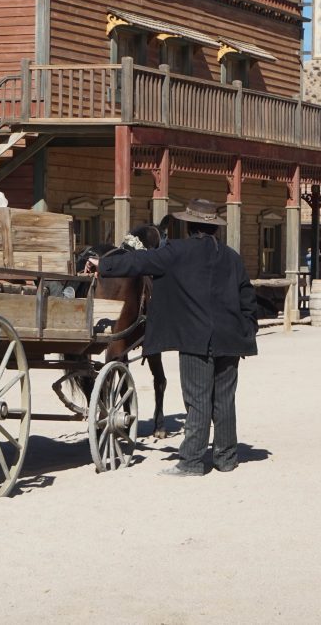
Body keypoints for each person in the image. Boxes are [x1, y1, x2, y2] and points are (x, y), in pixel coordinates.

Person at [98, 198, 258, 476]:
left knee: (197, 399)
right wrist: (247, 329)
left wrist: (101, 264)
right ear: (215, 229)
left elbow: (138, 261)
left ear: (190, 226)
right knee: (224, 399)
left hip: (195, 338)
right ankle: (226, 458)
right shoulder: (232, 257)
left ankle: (192, 462)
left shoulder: (177, 252)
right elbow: (248, 297)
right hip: (230, 337)